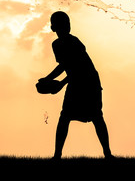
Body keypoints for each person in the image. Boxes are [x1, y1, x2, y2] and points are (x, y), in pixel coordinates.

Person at [39, 11, 113, 159]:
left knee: (94, 117)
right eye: (64, 24)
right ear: (54, 28)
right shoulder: (58, 44)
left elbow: (76, 67)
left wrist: (57, 82)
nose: (66, 27)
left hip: (88, 81)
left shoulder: (74, 42)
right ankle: (57, 155)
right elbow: (66, 66)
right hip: (77, 81)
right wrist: (49, 79)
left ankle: (107, 154)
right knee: (69, 117)